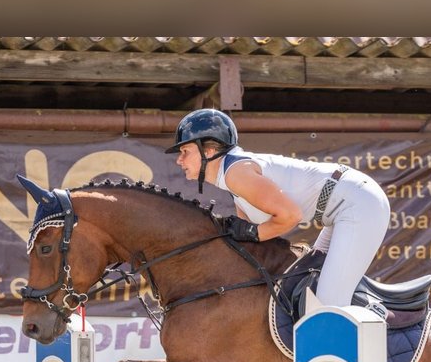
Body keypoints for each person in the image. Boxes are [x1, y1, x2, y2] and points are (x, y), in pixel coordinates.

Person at [166, 108, 391, 309]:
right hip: (344, 206)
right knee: (309, 288)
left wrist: (253, 233)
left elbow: (290, 216)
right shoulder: (230, 177)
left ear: (208, 151)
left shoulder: (236, 173)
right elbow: (252, 242)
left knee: (328, 302)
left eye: (185, 151)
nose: (179, 160)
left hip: (358, 203)